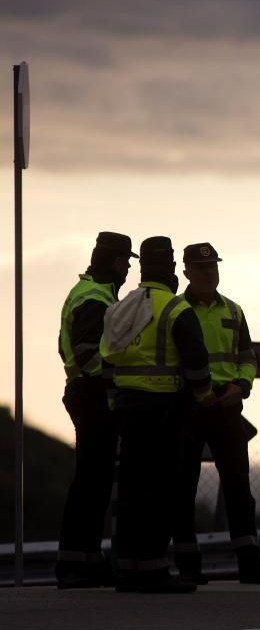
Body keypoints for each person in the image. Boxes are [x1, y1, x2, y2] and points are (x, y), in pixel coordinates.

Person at [100, 236, 215, 593]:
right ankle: (153, 570)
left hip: (128, 410)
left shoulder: (123, 307)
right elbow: (196, 363)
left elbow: (106, 358)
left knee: (132, 492)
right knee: (161, 492)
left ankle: (129, 569)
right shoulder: (176, 309)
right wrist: (203, 396)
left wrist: (114, 401)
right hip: (165, 410)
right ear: (170, 269)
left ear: (142, 267)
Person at [170, 242, 260, 585]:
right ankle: (189, 567)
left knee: (239, 488)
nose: (208, 273)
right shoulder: (175, 311)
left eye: (213, 267)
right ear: (186, 271)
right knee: (183, 487)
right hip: (189, 406)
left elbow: (247, 357)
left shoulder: (233, 311)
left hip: (227, 407)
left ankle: (249, 564)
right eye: (201, 268)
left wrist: (240, 387)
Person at [54, 232, 136, 589]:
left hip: (86, 392)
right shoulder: (95, 298)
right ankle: (74, 564)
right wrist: (119, 375)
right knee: (91, 482)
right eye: (127, 261)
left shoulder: (89, 292)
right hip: (94, 395)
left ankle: (85, 560)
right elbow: (88, 353)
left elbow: (68, 348)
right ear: (117, 262)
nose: (130, 267)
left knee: (96, 481)